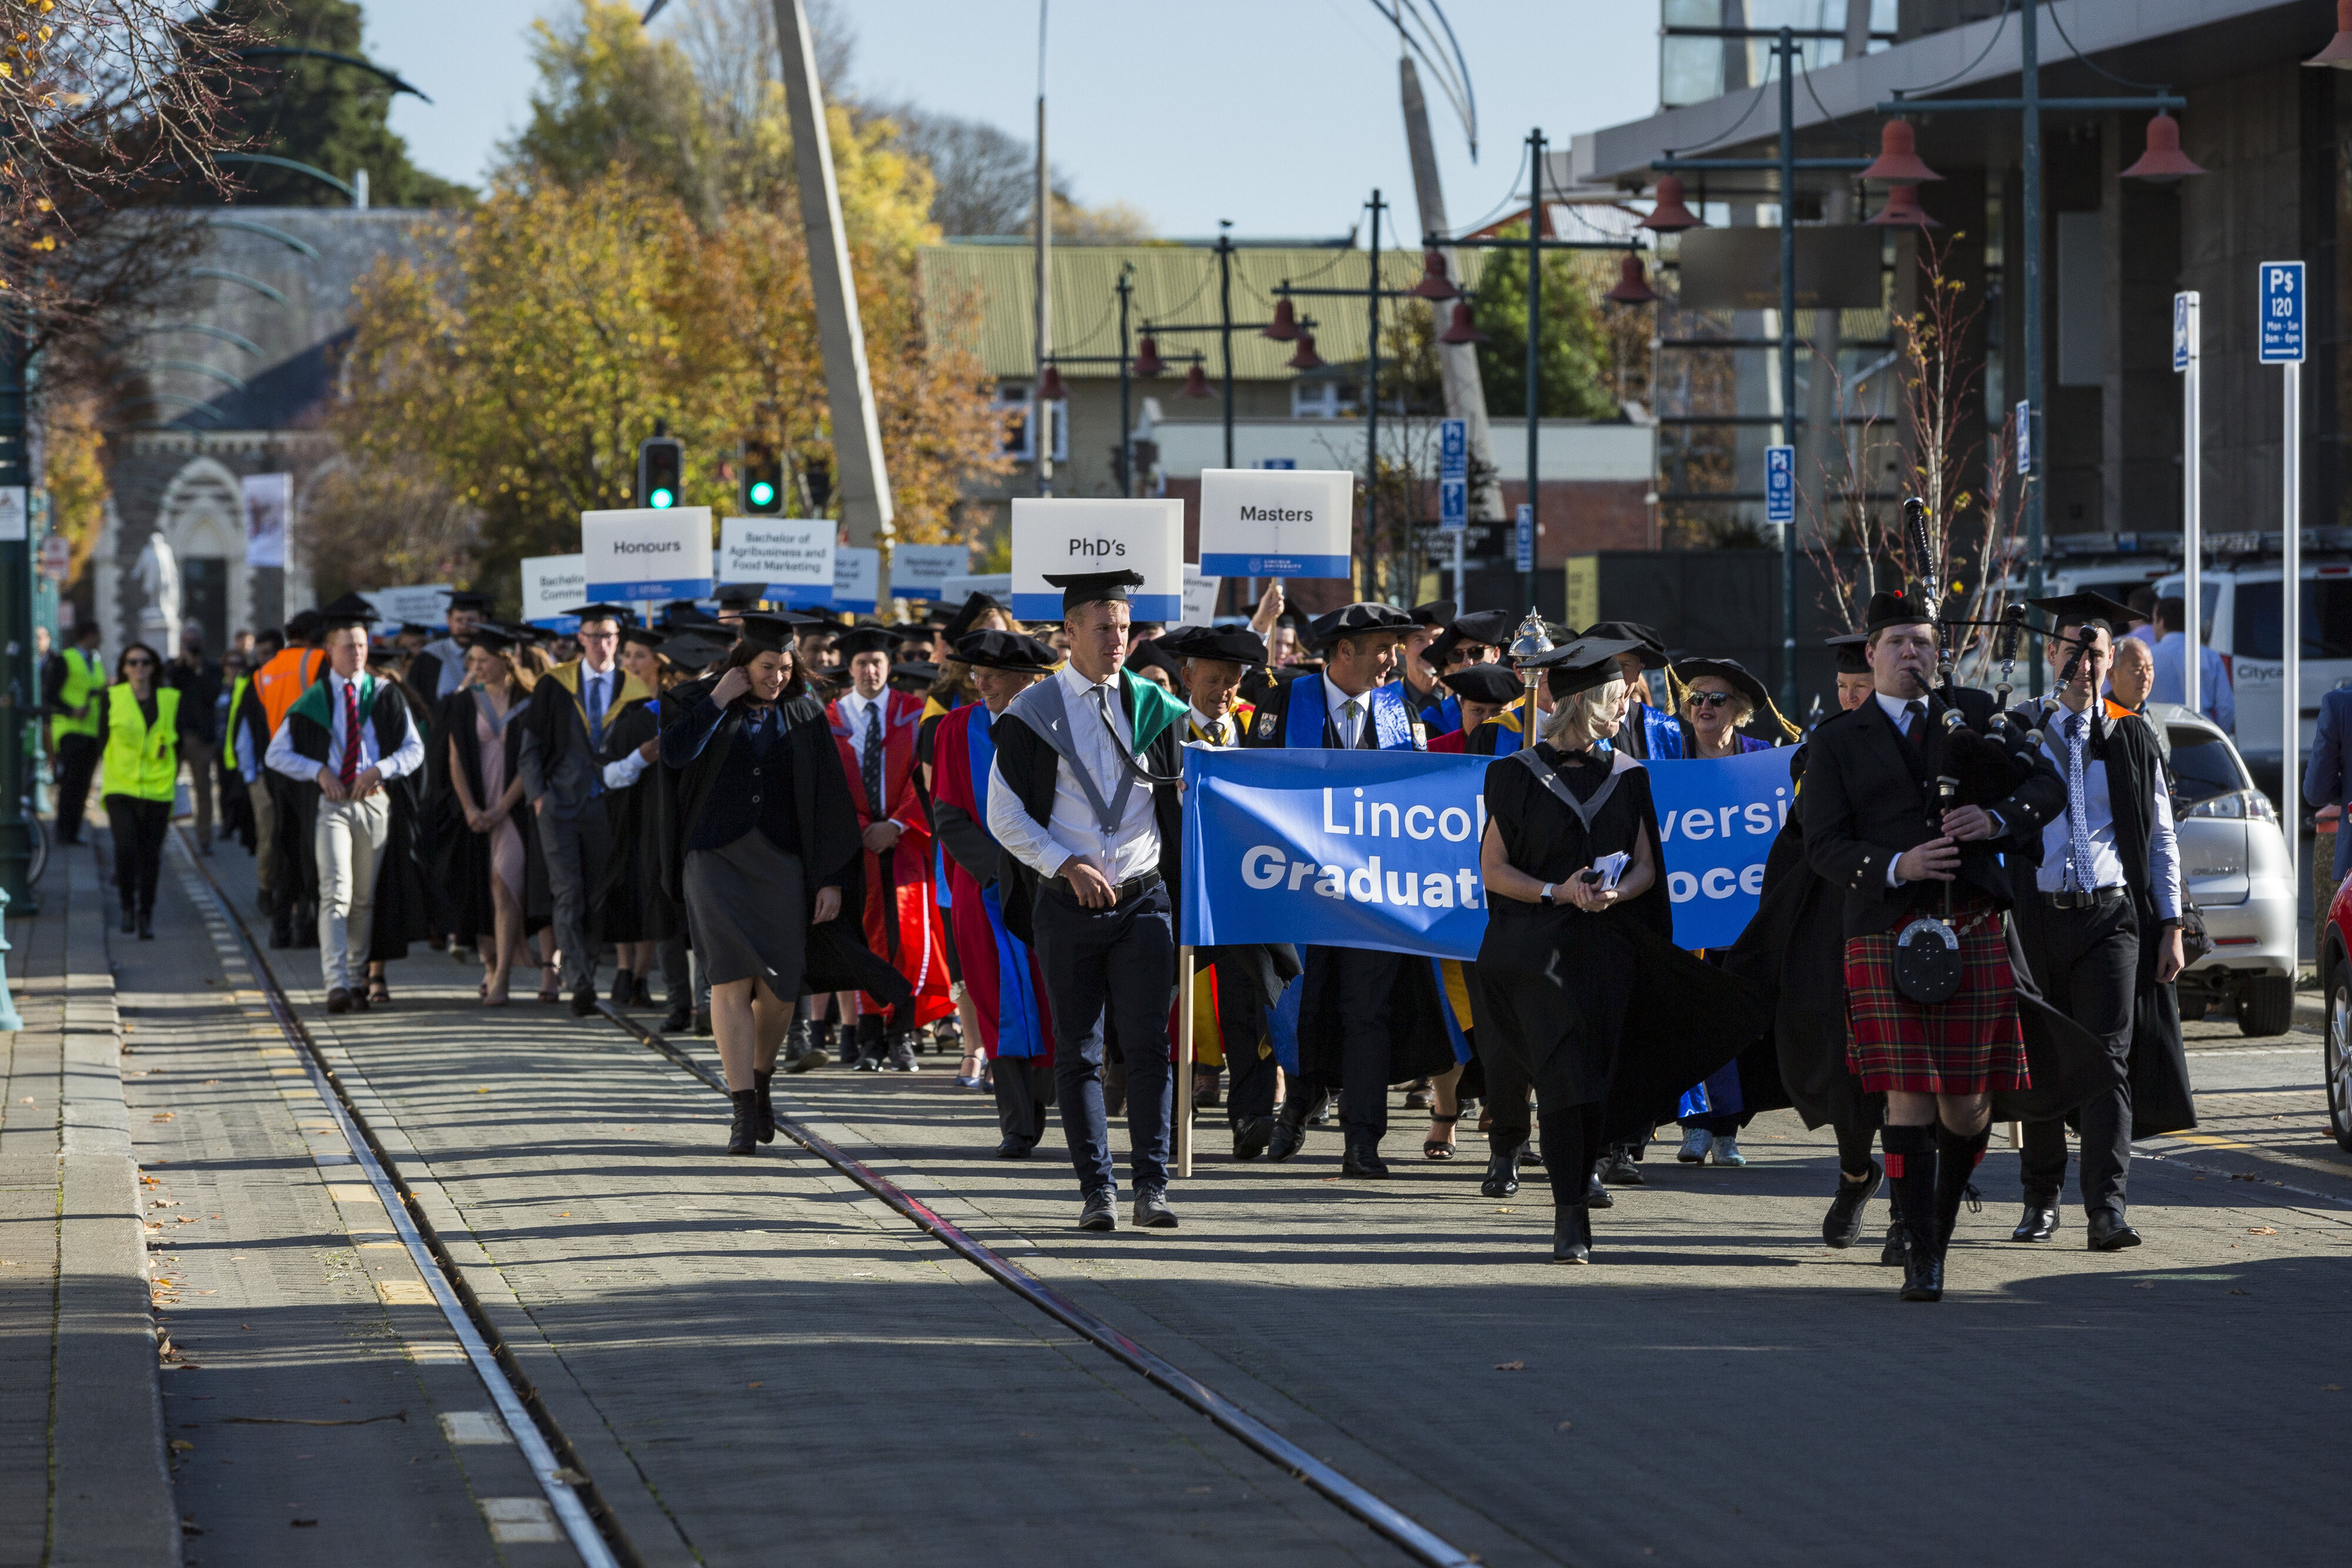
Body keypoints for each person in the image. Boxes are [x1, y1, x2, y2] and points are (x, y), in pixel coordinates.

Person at [1799, 590, 2067, 1301]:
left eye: (1922, 641)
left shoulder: (1974, 715)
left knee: (1968, 1103)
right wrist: (1899, 866)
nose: (1911, 652)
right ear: (1870, 652)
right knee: (1909, 1095)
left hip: (1972, 924)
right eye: (1896, 642)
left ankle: (1938, 1219)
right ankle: (1924, 1249)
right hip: (1883, 930)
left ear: (1937, 651)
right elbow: (1822, 845)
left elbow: (2047, 786)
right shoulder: (1834, 740)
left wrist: (1998, 818)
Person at [1475, 635, 1769, 1262]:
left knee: (1595, 1078)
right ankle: (1570, 1213)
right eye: (1618, 697)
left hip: (1606, 949)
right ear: (1584, 701)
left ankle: (1583, 1174)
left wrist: (1613, 892)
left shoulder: (1629, 778)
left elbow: (1646, 868)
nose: (1628, 706)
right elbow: (1494, 869)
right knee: (1559, 1079)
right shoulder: (1515, 775)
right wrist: (1559, 890)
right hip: (1538, 952)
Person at [985, 570, 1190, 1230]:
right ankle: (1096, 1189)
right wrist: (1063, 862)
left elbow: (1191, 794)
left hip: (1143, 899)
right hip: (1068, 905)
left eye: (1125, 629)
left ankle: (1151, 1187)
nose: (1117, 641)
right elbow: (1004, 815)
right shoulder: (1032, 713)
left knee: (1149, 1047)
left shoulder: (1158, 708)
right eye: (1103, 629)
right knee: (1077, 1050)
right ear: (1068, 632)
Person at [1246, 601, 1457, 1176]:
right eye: (1384, 648)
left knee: (1369, 1013)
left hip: (1373, 897)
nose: (1393, 660)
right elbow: (1254, 790)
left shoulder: (1402, 714)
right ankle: (1299, 1102)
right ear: (1345, 651)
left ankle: (1362, 1138)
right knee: (1305, 1009)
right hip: (1300, 892)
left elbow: (1420, 806)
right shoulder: (1285, 703)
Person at [2012, 593, 2189, 1250]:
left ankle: (2106, 1207)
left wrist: (2171, 921)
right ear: (2052, 653)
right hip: (2036, 915)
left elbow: (2163, 837)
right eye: (2071, 649)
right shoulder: (2022, 729)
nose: (2083, 663)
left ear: (2111, 662)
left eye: (2096, 653)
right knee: (2040, 1058)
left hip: (2110, 916)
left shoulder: (2133, 734)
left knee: (2108, 1059)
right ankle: (2040, 1197)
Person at [656, 615, 865, 1154]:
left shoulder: (803, 711)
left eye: (785, 667)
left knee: (778, 987)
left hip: (782, 861)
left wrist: (831, 880)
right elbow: (676, 755)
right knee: (729, 979)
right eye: (766, 666)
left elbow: (829, 799)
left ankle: (762, 1078)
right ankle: (742, 1110)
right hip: (713, 858)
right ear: (742, 662)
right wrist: (718, 699)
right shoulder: (693, 699)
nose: (776, 676)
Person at [1162, 622, 1302, 1159]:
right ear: (1186, 676)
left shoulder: (1256, 731)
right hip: (1179, 890)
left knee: (1250, 1004)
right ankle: (1170, 1119)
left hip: (1245, 894)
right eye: (1214, 679)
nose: (1224, 691)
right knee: (1168, 1007)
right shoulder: (1162, 734)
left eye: (1232, 681)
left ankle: (1250, 1117)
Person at [931, 629, 1062, 1155]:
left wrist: (1040, 865)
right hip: (983, 886)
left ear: (1026, 679)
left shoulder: (1054, 726)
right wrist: (998, 871)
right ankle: (1017, 1122)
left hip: (1051, 881)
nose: (980, 683)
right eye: (977, 674)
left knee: (1052, 995)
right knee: (995, 1000)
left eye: (993, 675)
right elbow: (947, 813)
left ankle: (1057, 1099)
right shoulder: (953, 729)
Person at [264, 597, 426, 1015]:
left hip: (374, 804)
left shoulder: (386, 695)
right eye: (348, 646)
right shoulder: (312, 700)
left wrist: (383, 769)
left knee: (364, 899)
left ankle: (358, 977)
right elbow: (276, 755)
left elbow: (414, 749)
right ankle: (336, 983)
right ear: (330, 652)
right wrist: (318, 771)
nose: (357, 653)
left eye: (362, 645)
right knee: (335, 891)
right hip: (332, 807)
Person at [828, 624, 953, 1069]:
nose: (869, 671)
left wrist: (897, 824)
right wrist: (862, 826)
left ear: (889, 666)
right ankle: (868, 1040)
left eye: (877, 663)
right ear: (850, 668)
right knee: (863, 940)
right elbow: (828, 789)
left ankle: (902, 1035)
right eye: (861, 663)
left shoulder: (913, 712)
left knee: (908, 938)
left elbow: (927, 780)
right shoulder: (830, 718)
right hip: (854, 848)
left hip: (904, 845)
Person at [521, 604, 648, 1016]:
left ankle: (588, 967)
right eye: (594, 636)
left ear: (618, 641)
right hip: (559, 806)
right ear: (580, 639)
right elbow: (531, 748)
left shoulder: (635, 691)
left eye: (609, 636)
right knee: (567, 893)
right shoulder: (554, 685)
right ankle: (579, 982)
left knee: (598, 896)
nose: (601, 644)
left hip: (608, 809)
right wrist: (538, 796)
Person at [429, 626, 545, 1006]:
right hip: (474, 809)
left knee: (502, 881)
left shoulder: (530, 701)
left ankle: (503, 977)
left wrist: (500, 809)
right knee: (479, 890)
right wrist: (469, 809)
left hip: (513, 809)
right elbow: (455, 759)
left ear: (505, 660)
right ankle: (490, 963)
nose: (476, 667)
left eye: (483, 660)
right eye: (472, 661)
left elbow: (531, 763)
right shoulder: (463, 703)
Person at [592, 623, 694, 1017]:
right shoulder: (623, 709)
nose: (630, 663)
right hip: (627, 815)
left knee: (658, 894)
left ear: (660, 663)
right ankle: (626, 971)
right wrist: (639, 757)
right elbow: (605, 771)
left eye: (639, 656)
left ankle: (641, 976)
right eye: (626, 656)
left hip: (668, 818)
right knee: (630, 888)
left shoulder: (675, 707)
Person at [100, 643, 196, 938]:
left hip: (157, 789)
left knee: (151, 854)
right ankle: (127, 906)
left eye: (145, 662)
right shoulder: (112, 698)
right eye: (132, 662)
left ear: (154, 667)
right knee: (126, 849)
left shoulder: (170, 699)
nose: (139, 667)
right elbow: (102, 738)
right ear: (124, 668)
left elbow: (179, 743)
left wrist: (171, 769)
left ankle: (146, 914)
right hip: (121, 788)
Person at [252, 611, 328, 948]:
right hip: (312, 764)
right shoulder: (318, 661)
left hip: (278, 765)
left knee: (287, 844)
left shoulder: (264, 672)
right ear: (315, 636)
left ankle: (281, 926)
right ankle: (306, 921)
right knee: (315, 846)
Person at [44, 620, 106, 845]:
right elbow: (51, 695)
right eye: (99, 635)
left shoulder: (96, 661)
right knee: (70, 783)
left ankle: (73, 832)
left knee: (83, 784)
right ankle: (63, 831)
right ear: (89, 634)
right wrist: (71, 711)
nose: (101, 640)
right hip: (69, 731)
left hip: (91, 732)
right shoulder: (66, 658)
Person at [1587, 621, 1682, 760]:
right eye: (1608, 665)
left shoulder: (1665, 730)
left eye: (1625, 665)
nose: (1616, 675)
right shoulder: (1578, 726)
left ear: (1638, 671)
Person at [2150, 595, 2232, 733]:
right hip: (2199, 735)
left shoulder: (2147, 657)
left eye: (2153, 621)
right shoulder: (2211, 657)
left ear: (2162, 622)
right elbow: (2226, 708)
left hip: (2156, 733)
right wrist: (2216, 736)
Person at [408, 590, 493, 702]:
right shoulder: (429, 657)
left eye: (471, 620)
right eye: (459, 620)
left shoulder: (495, 657)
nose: (464, 627)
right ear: (448, 620)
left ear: (483, 621)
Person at [1426, 662, 1524, 755]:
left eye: (1497, 711)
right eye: (1478, 711)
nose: (1488, 720)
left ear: (1513, 707)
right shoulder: (1436, 752)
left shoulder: (1525, 750)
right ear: (1462, 705)